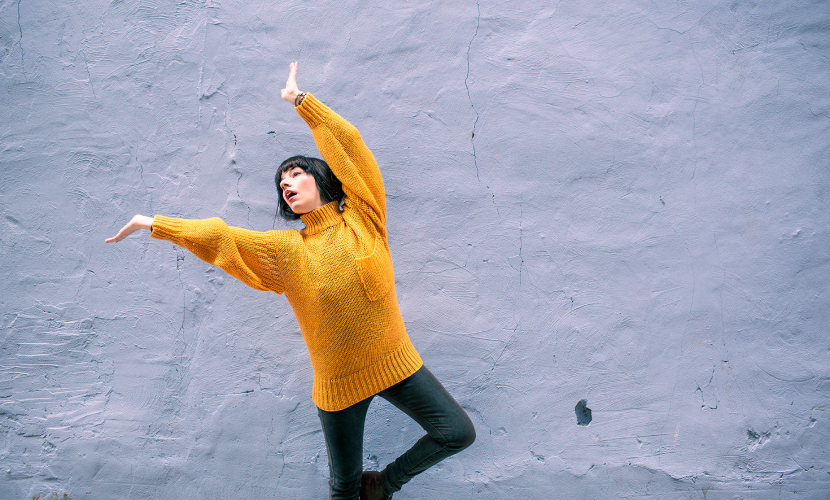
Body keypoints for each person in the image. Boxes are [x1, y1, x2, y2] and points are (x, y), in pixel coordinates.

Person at [107, 62, 475, 500]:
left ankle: (385, 484)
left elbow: (351, 146)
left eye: (297, 173)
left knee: (457, 432)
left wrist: (304, 104)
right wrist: (153, 223)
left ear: (323, 180)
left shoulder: (364, 219)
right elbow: (222, 236)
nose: (287, 183)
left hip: (396, 363)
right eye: (282, 182)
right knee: (342, 488)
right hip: (339, 387)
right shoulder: (286, 250)